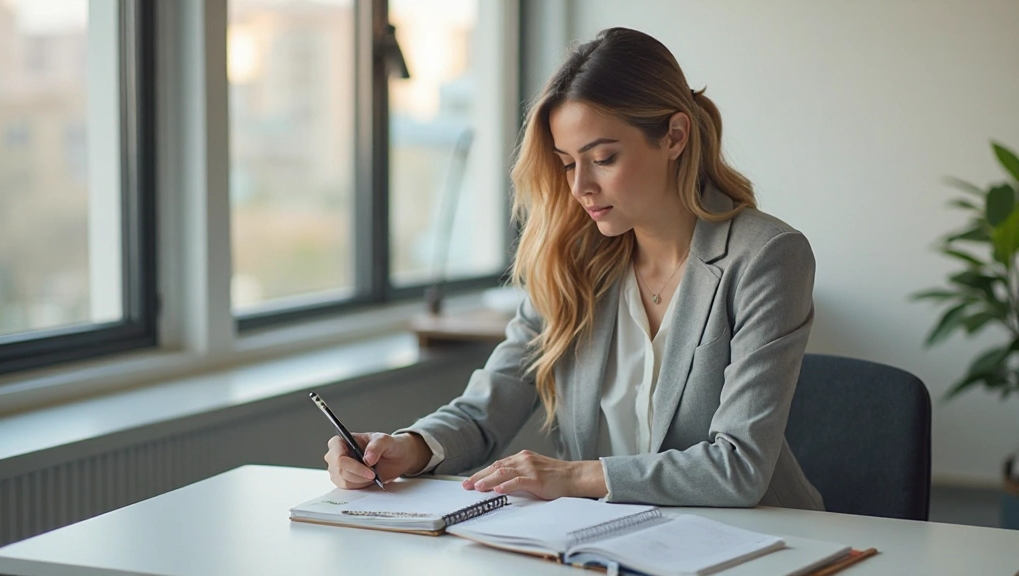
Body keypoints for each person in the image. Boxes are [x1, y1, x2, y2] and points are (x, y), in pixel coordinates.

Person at [324, 27, 824, 510]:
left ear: (674, 135)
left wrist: (575, 476)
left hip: (761, 542)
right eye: (567, 163)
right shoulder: (573, 262)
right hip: (604, 540)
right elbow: (486, 410)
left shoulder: (767, 256)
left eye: (603, 158)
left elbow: (739, 466)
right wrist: (406, 448)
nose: (580, 185)